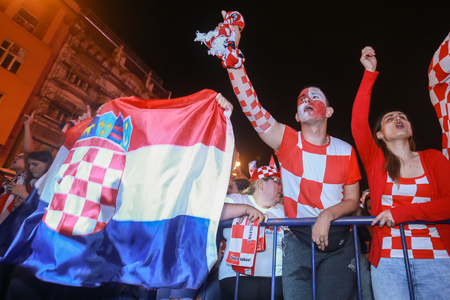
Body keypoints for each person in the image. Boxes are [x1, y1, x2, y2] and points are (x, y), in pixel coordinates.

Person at [209, 11, 361, 299]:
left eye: (315, 96)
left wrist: (328, 215)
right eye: (302, 97)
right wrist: (233, 61)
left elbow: (352, 200)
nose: (307, 98)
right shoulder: (287, 140)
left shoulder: (345, 150)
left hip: (340, 246)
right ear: (296, 115)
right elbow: (252, 108)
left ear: (328, 111)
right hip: (297, 245)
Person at [351, 44, 450, 299]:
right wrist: (369, 74)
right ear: (380, 135)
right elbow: (358, 123)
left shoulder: (434, 158)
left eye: (403, 116)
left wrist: (400, 213)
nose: (399, 117)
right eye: (390, 117)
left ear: (410, 128)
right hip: (389, 262)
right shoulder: (376, 161)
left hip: (438, 260)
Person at [219, 166, 284, 300]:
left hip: (276, 278)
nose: (281, 185)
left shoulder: (283, 210)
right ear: (261, 183)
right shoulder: (238, 200)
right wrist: (246, 209)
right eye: (277, 181)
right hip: (238, 277)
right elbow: (214, 213)